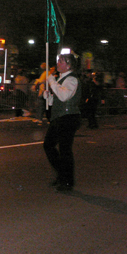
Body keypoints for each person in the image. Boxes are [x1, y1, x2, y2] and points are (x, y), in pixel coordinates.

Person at [43, 53, 81, 192]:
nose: (58, 63)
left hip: (68, 118)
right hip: (60, 117)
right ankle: (62, 174)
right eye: (58, 61)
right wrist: (49, 98)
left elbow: (65, 96)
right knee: (49, 145)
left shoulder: (71, 79)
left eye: (61, 61)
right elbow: (59, 99)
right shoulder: (62, 79)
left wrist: (52, 81)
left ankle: (67, 181)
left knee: (64, 150)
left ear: (69, 65)